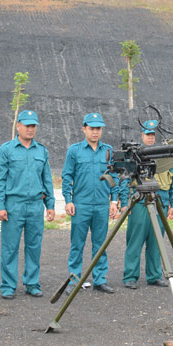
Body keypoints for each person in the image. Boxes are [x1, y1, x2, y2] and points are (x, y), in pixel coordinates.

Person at [0, 110, 55, 299]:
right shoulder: (6, 150)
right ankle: (8, 285)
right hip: (14, 205)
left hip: (35, 204)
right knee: (10, 247)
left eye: (33, 126)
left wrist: (50, 205)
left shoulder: (42, 151)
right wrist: (0, 206)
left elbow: (47, 179)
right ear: (18, 126)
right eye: (27, 125)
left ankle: (32, 283)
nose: (30, 129)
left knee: (34, 246)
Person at [61, 112, 119, 294]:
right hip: (81, 205)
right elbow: (67, 176)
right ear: (84, 129)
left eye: (98, 129)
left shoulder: (108, 151)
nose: (95, 132)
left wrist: (114, 201)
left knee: (100, 244)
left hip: (102, 204)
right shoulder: (74, 151)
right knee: (77, 244)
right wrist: (68, 200)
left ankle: (100, 280)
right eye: (92, 128)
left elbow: (114, 176)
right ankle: (74, 280)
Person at [121, 120, 173, 289]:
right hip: (140, 202)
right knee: (135, 240)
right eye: (147, 134)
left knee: (156, 242)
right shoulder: (135, 156)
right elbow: (125, 179)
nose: (150, 137)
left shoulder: (165, 156)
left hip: (160, 203)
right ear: (142, 135)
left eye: (153, 135)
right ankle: (130, 276)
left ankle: (154, 276)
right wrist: (124, 203)